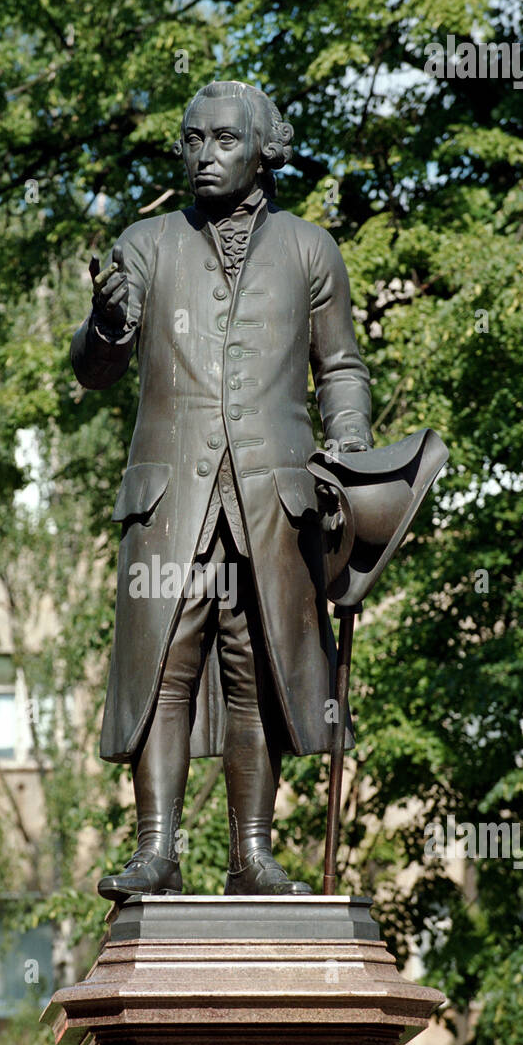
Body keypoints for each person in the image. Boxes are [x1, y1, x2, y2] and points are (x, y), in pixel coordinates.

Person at [71, 80, 374, 900]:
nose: (203, 156)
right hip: (171, 505)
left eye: (222, 142)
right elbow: (95, 372)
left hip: (272, 505)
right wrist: (103, 326)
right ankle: (155, 853)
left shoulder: (310, 250)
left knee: (260, 674)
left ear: (261, 150)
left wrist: (347, 452)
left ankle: (252, 856)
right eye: (192, 141)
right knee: (162, 669)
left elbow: (340, 368)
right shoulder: (146, 244)